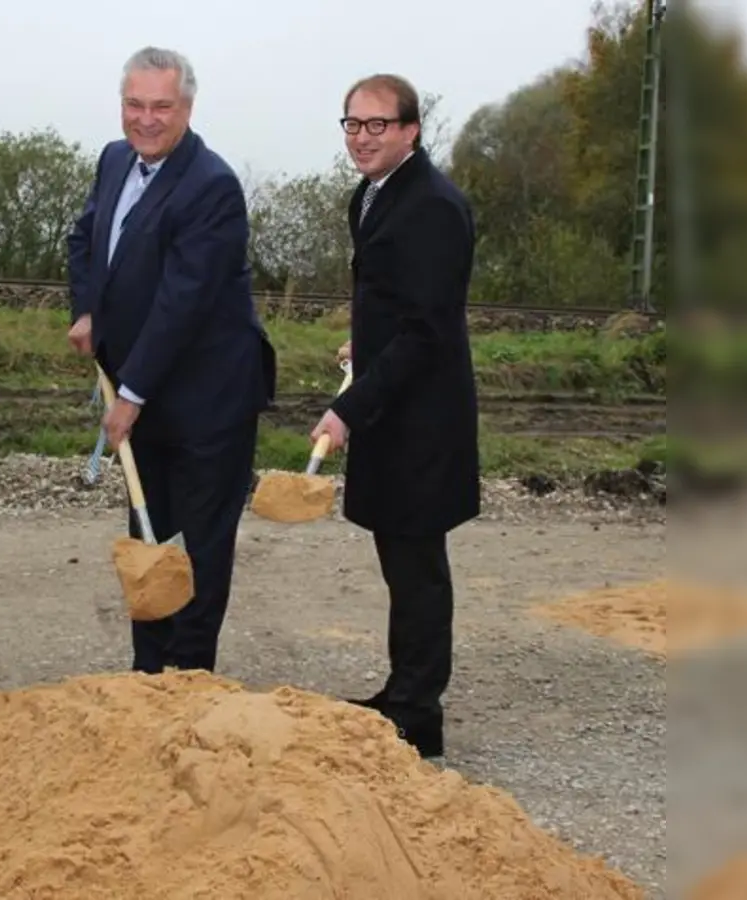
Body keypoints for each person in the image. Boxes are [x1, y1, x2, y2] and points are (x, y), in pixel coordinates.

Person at [65, 47, 276, 675]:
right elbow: (85, 238)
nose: (146, 119)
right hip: (143, 386)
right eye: (135, 104)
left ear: (186, 107)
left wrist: (129, 395)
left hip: (208, 402)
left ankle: (187, 685)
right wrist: (88, 311)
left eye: (162, 106)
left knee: (197, 550)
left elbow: (181, 302)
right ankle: (148, 678)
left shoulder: (211, 186)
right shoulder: (113, 160)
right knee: (148, 535)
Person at [308, 74, 480, 760]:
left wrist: (349, 409)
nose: (362, 138)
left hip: (422, 417)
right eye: (352, 124)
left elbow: (428, 329)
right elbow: (394, 302)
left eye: (377, 125)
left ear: (411, 129)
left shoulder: (435, 206)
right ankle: (401, 691)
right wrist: (365, 340)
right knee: (399, 561)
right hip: (393, 401)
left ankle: (419, 711)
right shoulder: (373, 195)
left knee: (418, 567)